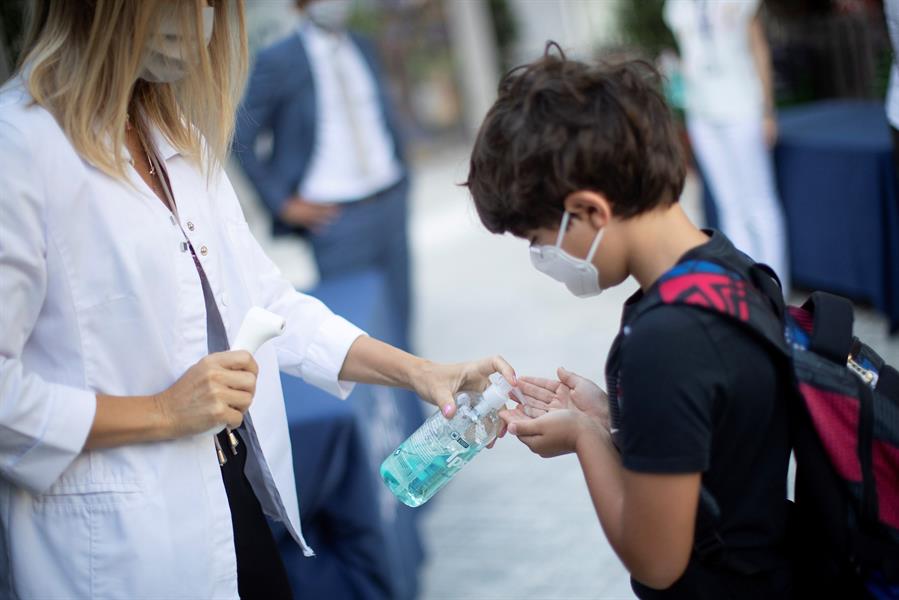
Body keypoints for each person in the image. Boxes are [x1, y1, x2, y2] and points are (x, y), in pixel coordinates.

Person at [0, 2, 515, 598]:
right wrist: (164, 412)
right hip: (114, 547)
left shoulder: (176, 138)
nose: (204, 18)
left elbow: (269, 304)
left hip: (229, 499)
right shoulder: (19, 152)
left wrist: (421, 372)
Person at [465, 45, 792, 599]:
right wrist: (619, 418)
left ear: (591, 211)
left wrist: (585, 438)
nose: (542, 259)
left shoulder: (664, 341)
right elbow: (718, 433)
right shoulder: (732, 269)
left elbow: (658, 561)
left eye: (540, 241)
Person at [233, 0, 413, 349]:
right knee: (361, 342)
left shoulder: (362, 45)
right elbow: (240, 137)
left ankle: (423, 404)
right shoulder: (280, 59)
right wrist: (281, 204)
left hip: (389, 201)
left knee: (403, 329)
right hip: (336, 222)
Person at [664, 0, 789, 288]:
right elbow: (687, 52)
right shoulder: (678, 5)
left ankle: (775, 288)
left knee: (759, 203)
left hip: (743, 104)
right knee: (730, 205)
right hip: (702, 110)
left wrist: (768, 110)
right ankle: (747, 285)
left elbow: (759, 48)